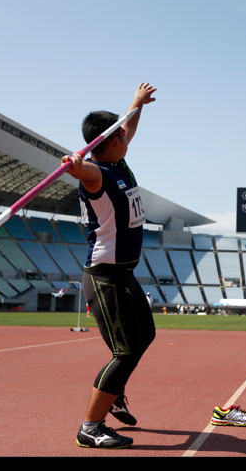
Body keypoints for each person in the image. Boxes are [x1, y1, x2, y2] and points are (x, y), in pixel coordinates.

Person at [62, 83, 157, 450]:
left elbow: (128, 128)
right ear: (111, 141)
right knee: (125, 352)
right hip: (104, 277)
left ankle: (113, 393)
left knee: (144, 337)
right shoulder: (98, 173)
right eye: (120, 134)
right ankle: (91, 426)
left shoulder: (118, 160)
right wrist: (74, 164)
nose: (126, 136)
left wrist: (135, 104)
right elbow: (82, 172)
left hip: (124, 274)